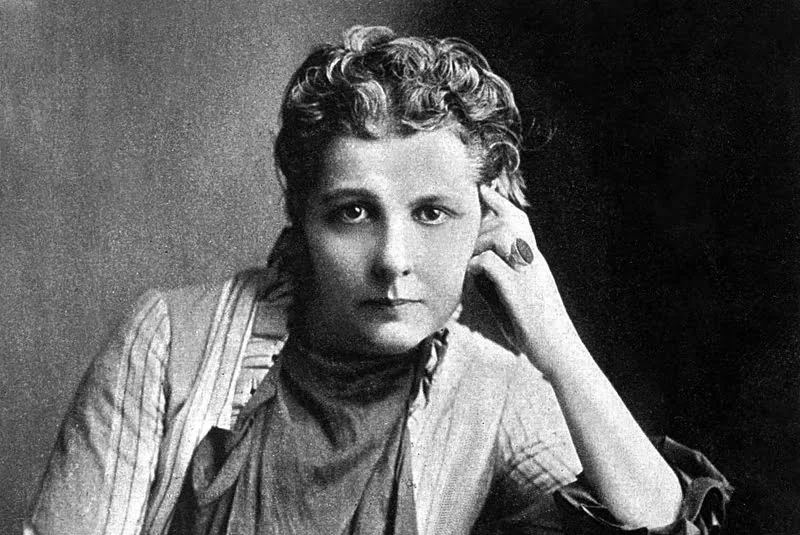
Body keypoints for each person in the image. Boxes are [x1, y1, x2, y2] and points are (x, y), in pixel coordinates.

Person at [26, 26, 731, 535]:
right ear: (302, 216)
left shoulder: (494, 390)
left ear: (488, 221)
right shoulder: (171, 339)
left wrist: (554, 339)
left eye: (433, 213)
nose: (393, 258)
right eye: (353, 212)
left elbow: (658, 522)